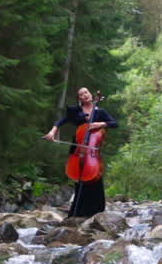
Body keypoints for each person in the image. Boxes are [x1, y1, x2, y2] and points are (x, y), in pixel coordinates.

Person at [44, 87, 117, 218]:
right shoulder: (76, 111)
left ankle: (95, 212)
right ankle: (77, 212)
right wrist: (52, 131)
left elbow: (114, 123)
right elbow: (62, 121)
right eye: (81, 94)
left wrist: (101, 124)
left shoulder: (100, 112)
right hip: (78, 148)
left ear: (90, 94)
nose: (84, 95)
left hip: (92, 150)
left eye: (86, 92)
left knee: (95, 180)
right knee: (79, 179)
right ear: (79, 99)